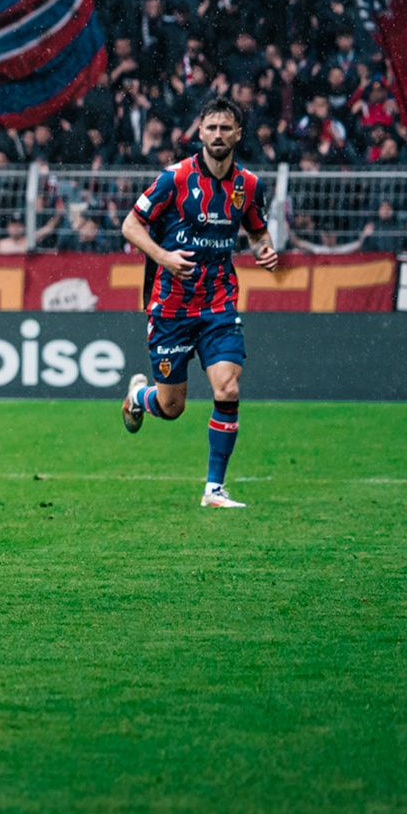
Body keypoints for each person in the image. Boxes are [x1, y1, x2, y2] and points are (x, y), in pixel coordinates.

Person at [119, 96, 280, 508]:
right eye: (212, 128)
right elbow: (131, 224)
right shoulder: (174, 179)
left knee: (227, 389)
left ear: (238, 134)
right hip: (171, 307)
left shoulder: (248, 186)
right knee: (171, 407)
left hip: (219, 303)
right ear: (200, 132)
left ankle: (214, 489)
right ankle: (139, 397)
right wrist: (164, 257)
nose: (219, 135)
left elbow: (258, 231)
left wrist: (265, 249)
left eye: (227, 128)